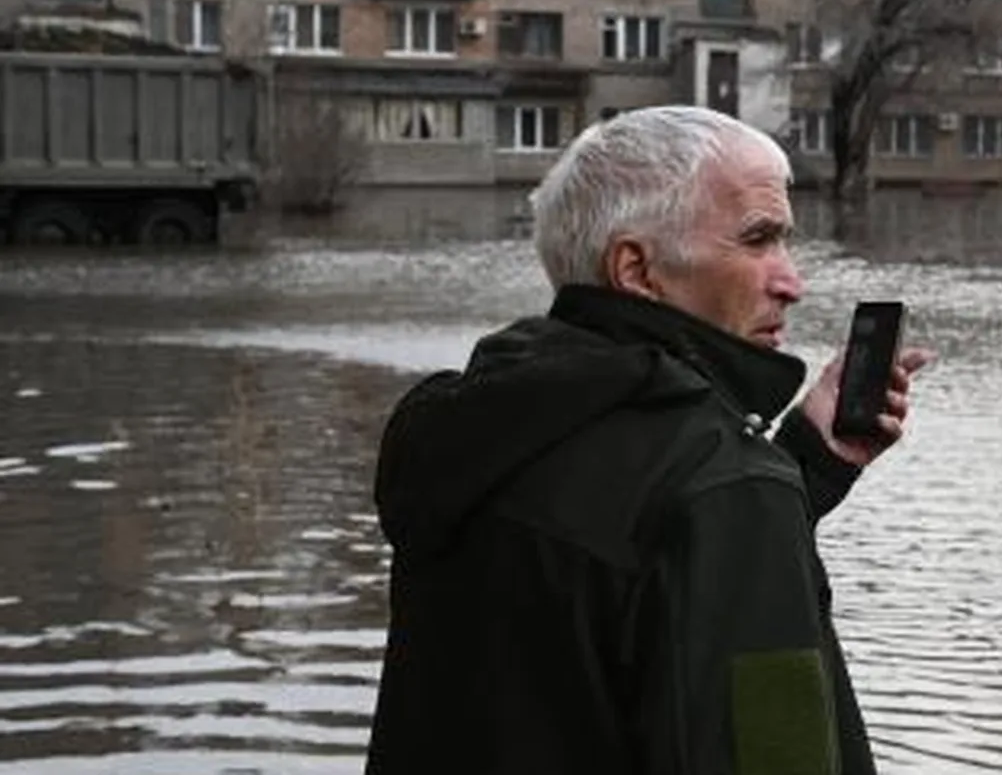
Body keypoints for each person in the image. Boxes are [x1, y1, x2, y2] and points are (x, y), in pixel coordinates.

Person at [365, 106, 933, 775]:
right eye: (758, 240)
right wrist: (757, 499)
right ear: (636, 270)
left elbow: (598, 603)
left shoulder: (473, 434)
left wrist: (803, 469)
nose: (792, 282)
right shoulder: (724, 491)